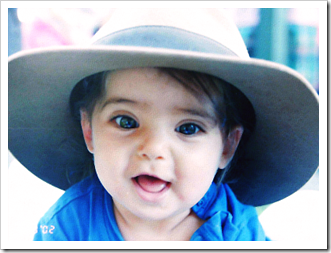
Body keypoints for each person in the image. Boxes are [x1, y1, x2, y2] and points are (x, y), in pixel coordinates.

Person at [8, 8, 319, 241]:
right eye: (126, 121)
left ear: (227, 146)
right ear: (89, 131)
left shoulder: (233, 229)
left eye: (188, 128)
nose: (153, 149)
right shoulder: (67, 225)